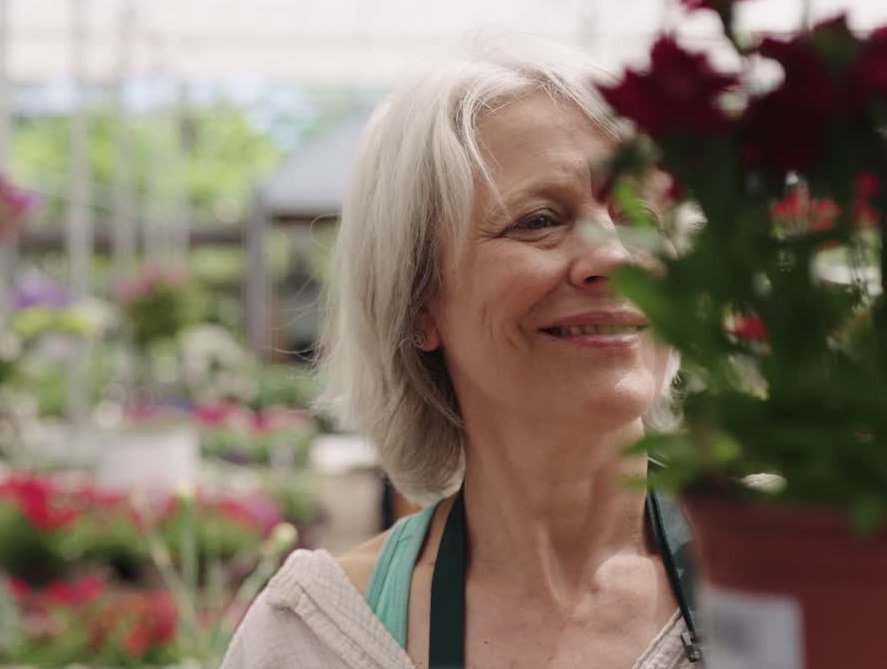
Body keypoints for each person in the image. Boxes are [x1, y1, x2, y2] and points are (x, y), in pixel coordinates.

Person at [220, 43, 700, 669]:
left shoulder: (814, 566)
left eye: (637, 215)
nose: (613, 255)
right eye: (537, 220)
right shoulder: (316, 638)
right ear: (417, 300)